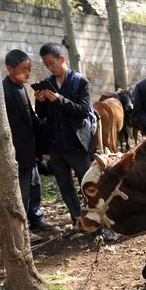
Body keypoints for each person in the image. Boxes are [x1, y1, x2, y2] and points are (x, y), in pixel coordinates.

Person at [34, 42, 94, 229]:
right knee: (65, 186)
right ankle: (77, 221)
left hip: (76, 144)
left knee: (89, 185)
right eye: (46, 64)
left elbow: (83, 110)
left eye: (51, 63)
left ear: (62, 59)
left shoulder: (79, 81)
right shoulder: (49, 83)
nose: (50, 68)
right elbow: (43, 115)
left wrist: (60, 99)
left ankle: (98, 221)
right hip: (56, 145)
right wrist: (40, 101)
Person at [3, 49, 56, 242]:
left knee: (34, 187)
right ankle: (22, 229)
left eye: (29, 69)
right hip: (18, 152)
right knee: (22, 192)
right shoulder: (5, 90)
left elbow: (30, 118)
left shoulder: (21, 87)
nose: (28, 73)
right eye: (24, 69)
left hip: (29, 150)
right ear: (10, 69)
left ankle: (36, 219)